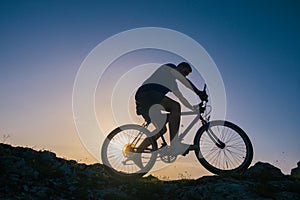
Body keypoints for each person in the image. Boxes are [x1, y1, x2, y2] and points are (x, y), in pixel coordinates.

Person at [134, 62, 208, 159]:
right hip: (147, 94)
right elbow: (184, 81)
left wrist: (193, 108)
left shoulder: (172, 83)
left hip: (146, 101)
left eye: (187, 74)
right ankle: (175, 145)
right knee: (175, 107)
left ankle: (136, 152)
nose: (185, 75)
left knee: (162, 129)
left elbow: (181, 98)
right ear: (180, 67)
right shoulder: (170, 67)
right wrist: (199, 93)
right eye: (185, 72)